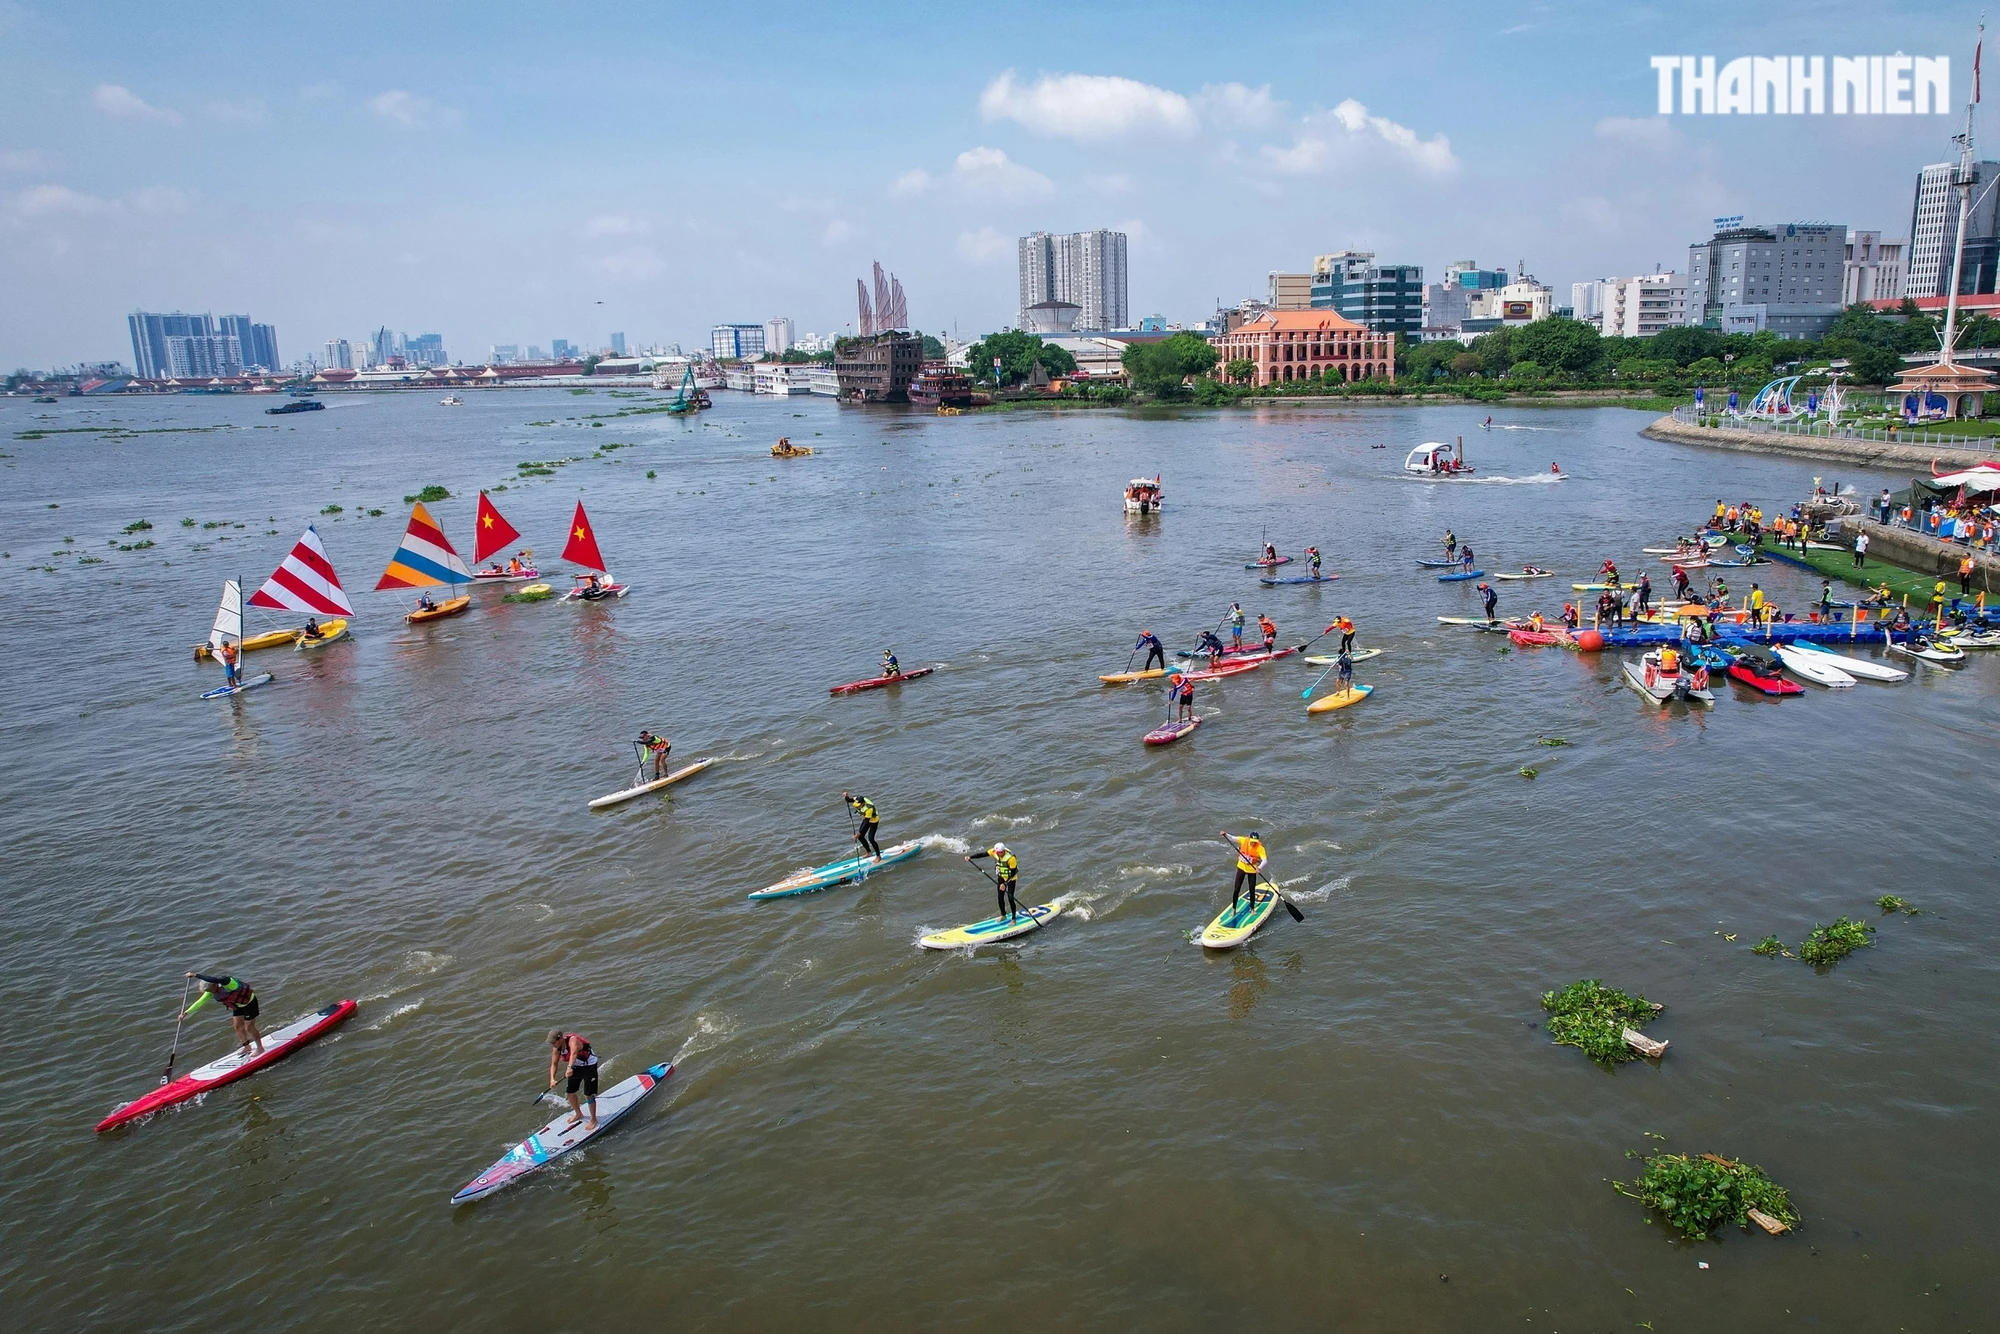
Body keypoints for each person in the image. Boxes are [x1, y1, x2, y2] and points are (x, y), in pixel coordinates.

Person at [184, 972, 263, 1055]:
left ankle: (260, 1048)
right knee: (237, 1026)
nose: (209, 992)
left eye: (209, 990)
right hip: (237, 1006)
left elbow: (214, 979)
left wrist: (195, 975)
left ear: (214, 985)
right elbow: (200, 1002)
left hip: (249, 1003)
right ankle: (247, 1047)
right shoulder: (211, 990)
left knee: (249, 1028)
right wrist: (186, 1012)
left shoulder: (227, 982)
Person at [546, 1029, 600, 1132]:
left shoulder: (573, 1041)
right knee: (570, 1092)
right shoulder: (556, 1048)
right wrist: (552, 1079)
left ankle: (593, 1119)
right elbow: (554, 1064)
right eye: (551, 1043)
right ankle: (578, 1114)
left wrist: (569, 1067)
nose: (553, 1045)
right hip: (576, 1066)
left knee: (588, 1094)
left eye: (554, 1042)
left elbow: (574, 1054)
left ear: (561, 1038)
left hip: (589, 1065)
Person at [967, 842, 1020, 922]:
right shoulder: (994, 852)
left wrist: (1005, 884)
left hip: (1011, 878)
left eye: (1000, 853)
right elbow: (982, 854)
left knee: (1010, 898)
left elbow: (1013, 873)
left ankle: (1013, 918)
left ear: (1003, 851)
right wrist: (970, 857)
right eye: (997, 853)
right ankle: (1003, 915)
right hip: (1001, 876)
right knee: (1000, 897)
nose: (998, 854)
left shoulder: (1011, 858)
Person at [1220, 829, 1267, 911]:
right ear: (1249, 838)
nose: (1253, 843)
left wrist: (1259, 868)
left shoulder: (1260, 848)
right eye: (1252, 841)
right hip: (1241, 867)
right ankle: (1234, 908)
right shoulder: (1244, 840)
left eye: (1255, 841)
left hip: (1252, 869)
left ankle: (1252, 908)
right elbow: (1232, 838)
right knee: (1236, 889)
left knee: (1252, 890)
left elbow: (1265, 860)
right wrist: (1225, 834)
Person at [842, 791, 881, 860]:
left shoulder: (869, 808)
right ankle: (869, 852)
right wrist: (846, 796)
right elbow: (849, 800)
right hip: (866, 819)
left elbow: (866, 822)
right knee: (860, 837)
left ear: (863, 803)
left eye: (859, 806)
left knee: (871, 839)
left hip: (873, 821)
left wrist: (858, 833)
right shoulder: (857, 798)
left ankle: (878, 856)